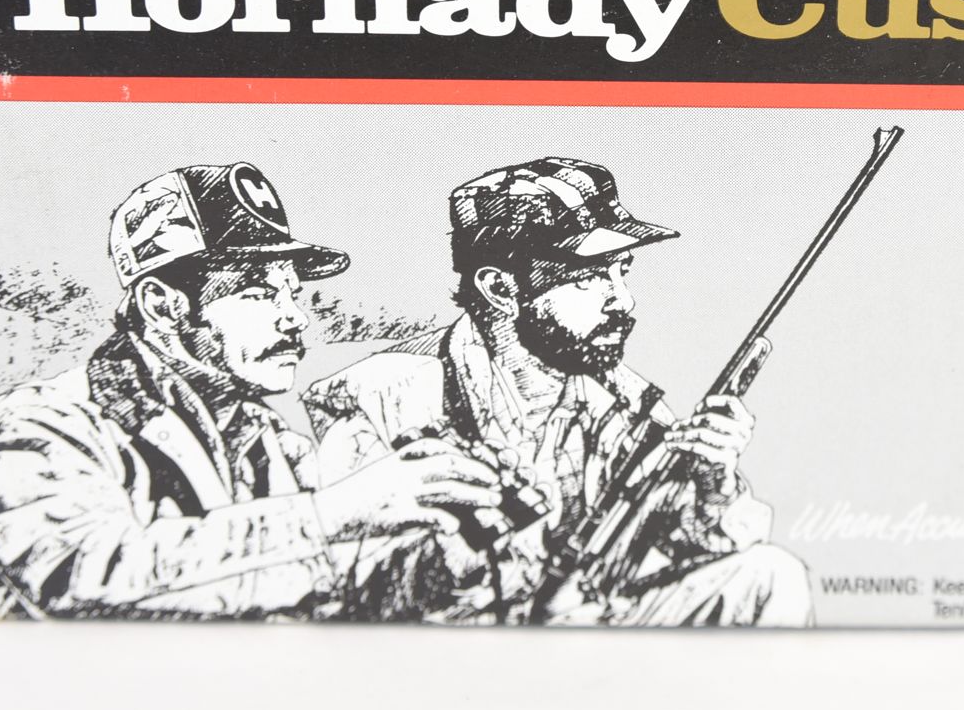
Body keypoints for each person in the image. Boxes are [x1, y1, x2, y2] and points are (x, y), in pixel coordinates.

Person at [0, 162, 499, 620]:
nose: (295, 319)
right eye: (257, 293)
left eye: (293, 294)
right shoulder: (42, 423)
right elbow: (74, 576)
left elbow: (316, 586)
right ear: (161, 305)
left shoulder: (273, 443)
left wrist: (447, 547)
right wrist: (335, 511)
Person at [301, 157, 813, 626]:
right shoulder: (384, 394)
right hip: (453, 657)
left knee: (770, 575)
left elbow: (701, 545)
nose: (623, 301)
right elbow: (344, 591)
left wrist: (713, 481)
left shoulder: (625, 403)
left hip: (588, 639)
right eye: (589, 276)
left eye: (621, 271)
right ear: (500, 289)